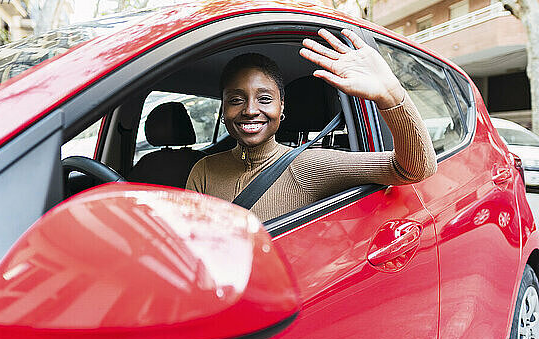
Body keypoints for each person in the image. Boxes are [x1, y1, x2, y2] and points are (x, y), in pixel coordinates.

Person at [186, 28, 437, 221]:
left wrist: (392, 96)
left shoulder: (308, 165)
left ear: (281, 107)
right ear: (223, 109)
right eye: (236, 100)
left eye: (264, 99)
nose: (250, 110)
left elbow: (414, 169)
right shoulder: (204, 171)